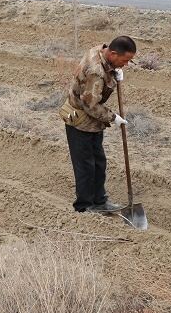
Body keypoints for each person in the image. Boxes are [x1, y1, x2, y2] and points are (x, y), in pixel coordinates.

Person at [59, 36, 137, 213]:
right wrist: (113, 117)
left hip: (92, 123)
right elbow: (90, 105)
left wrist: (113, 73)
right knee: (85, 166)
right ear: (114, 53)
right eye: (124, 60)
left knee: (99, 162)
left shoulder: (102, 51)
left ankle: (99, 201)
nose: (125, 64)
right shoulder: (95, 72)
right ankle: (84, 206)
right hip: (80, 122)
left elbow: (105, 67)